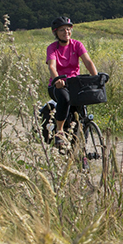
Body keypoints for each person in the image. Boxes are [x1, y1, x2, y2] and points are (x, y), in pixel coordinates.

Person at [46, 16, 98, 149]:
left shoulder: (77, 45)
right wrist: (57, 80)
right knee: (64, 98)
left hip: (75, 84)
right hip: (58, 85)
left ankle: (81, 146)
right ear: (55, 33)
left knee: (82, 110)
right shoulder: (52, 48)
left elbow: (88, 62)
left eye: (68, 29)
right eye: (62, 30)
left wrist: (96, 78)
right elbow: (52, 66)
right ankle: (59, 131)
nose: (66, 32)